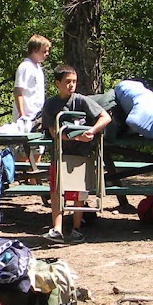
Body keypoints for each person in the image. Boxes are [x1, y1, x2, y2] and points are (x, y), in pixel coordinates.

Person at [41, 65, 111, 243]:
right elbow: (52, 130)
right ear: (58, 83)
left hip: (82, 155)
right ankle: (57, 229)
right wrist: (74, 137)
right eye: (67, 82)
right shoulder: (51, 104)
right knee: (57, 191)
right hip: (61, 154)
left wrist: (92, 132)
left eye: (74, 81)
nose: (71, 85)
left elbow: (105, 117)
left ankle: (76, 228)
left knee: (78, 193)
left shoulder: (82, 101)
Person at [13, 35, 51, 128]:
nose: (47, 54)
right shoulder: (25, 66)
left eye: (47, 51)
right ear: (34, 50)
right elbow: (18, 92)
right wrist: (22, 115)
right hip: (26, 118)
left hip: (37, 116)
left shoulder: (38, 68)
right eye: (44, 51)